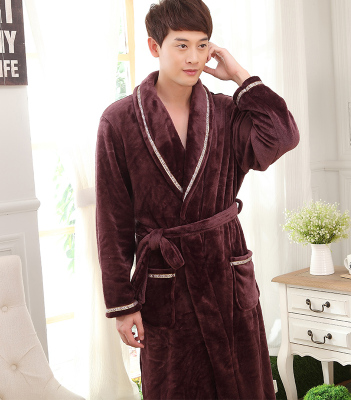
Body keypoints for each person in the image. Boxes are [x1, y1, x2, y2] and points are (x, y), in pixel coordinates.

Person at [95, 0, 299, 398]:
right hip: (166, 284)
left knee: (244, 386)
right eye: (182, 45)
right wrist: (123, 304)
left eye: (202, 45)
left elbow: (283, 136)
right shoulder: (119, 121)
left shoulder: (226, 113)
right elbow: (112, 221)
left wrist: (240, 76)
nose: (194, 57)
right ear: (154, 46)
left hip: (226, 275)